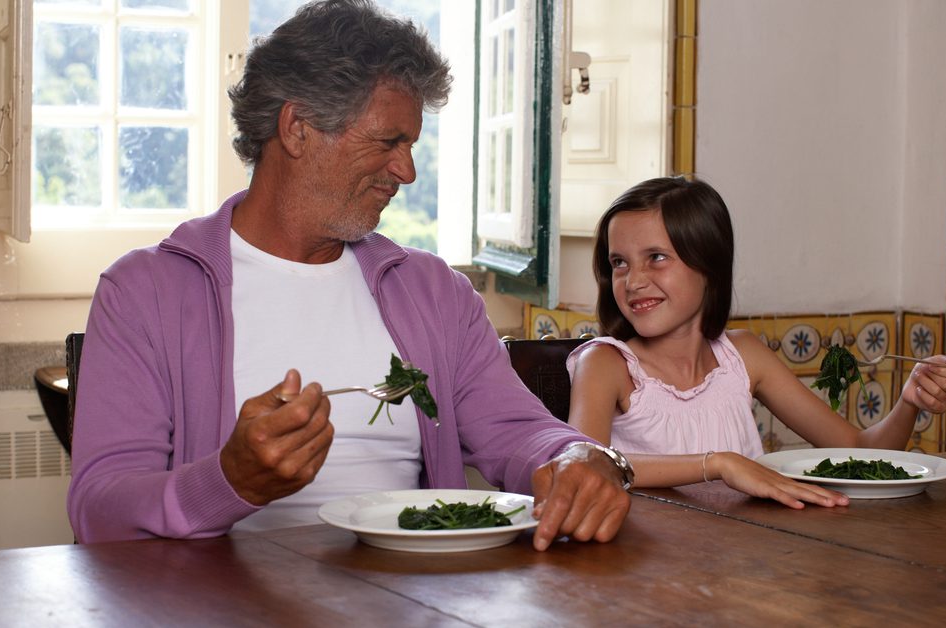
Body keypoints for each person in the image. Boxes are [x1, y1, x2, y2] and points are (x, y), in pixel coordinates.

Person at [67, 0, 630, 551]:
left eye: (411, 146)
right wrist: (228, 482)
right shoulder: (145, 293)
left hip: (415, 601)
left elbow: (518, 431)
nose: (406, 171)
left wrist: (577, 455)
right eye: (389, 142)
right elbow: (100, 511)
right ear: (297, 128)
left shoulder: (437, 294)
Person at [566, 176, 946, 508]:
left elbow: (860, 450)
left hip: (742, 566)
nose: (633, 280)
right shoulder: (605, 363)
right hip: (643, 571)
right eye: (619, 262)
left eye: (656, 257)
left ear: (709, 264)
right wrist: (718, 464)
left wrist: (910, 401)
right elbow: (587, 464)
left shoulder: (744, 357)